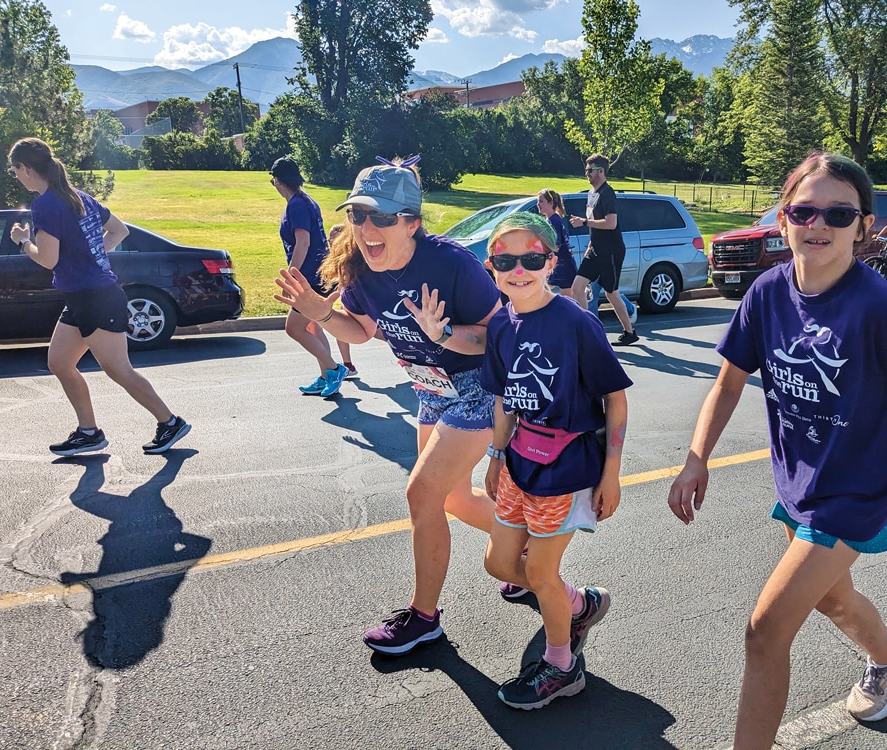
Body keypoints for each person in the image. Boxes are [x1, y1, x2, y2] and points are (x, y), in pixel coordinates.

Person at [667, 151, 887, 748]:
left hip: (857, 488)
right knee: (831, 596)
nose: (817, 225)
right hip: (799, 480)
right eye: (803, 210)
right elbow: (728, 382)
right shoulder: (766, 293)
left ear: (864, 226)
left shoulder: (880, 308)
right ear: (783, 219)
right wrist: (696, 457)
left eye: (838, 215)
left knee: (765, 631)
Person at [273, 156, 503, 655]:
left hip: (480, 385)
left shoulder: (451, 263)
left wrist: (442, 333)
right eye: (358, 216)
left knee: (420, 493)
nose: (366, 228)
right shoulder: (360, 268)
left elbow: (499, 338)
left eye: (381, 218)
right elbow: (360, 330)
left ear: (412, 222)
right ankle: (523, 554)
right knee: (451, 500)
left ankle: (424, 618)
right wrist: (322, 312)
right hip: (430, 388)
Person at [480, 212, 631, 709]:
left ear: (551, 261)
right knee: (499, 562)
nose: (517, 270)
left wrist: (611, 475)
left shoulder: (576, 322)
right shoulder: (501, 323)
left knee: (541, 571)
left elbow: (615, 399)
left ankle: (562, 666)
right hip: (520, 458)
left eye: (531, 259)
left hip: (568, 466)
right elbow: (505, 398)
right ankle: (578, 605)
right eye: (506, 260)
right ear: (492, 265)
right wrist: (496, 456)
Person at [7, 137, 190, 456]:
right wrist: (92, 255)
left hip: (97, 297)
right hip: (82, 296)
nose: (17, 177)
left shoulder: (46, 203)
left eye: (15, 171)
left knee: (118, 369)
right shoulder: (79, 197)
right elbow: (119, 230)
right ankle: (88, 431)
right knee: (60, 363)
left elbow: (48, 258)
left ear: (24, 167)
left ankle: (170, 422)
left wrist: (23, 242)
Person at [270, 157, 349, 396]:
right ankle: (326, 376)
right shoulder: (305, 201)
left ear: (277, 181)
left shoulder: (297, 205)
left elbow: (302, 243)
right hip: (317, 274)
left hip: (311, 278)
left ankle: (334, 369)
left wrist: (290, 278)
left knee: (293, 328)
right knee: (313, 326)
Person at [568, 154, 639, 346]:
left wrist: (583, 221)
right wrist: (591, 243)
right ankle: (587, 331)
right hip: (596, 249)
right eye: (586, 170)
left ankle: (629, 332)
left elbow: (611, 223)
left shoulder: (608, 194)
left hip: (611, 251)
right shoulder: (592, 194)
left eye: (590, 170)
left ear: (601, 171)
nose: (587, 174)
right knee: (577, 287)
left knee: (611, 292)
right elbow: (596, 226)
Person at [325, 222, 358, 378]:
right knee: (340, 331)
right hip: (348, 298)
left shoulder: (350, 256)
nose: (330, 239)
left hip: (358, 299)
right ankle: (348, 365)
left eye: (334, 235)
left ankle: (409, 350)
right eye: (330, 235)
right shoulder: (335, 256)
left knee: (381, 332)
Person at [535, 189, 578, 298]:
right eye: (538, 201)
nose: (538, 204)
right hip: (557, 264)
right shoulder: (551, 219)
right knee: (541, 290)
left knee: (568, 299)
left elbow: (556, 245)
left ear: (551, 203)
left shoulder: (554, 221)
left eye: (541, 201)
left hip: (563, 265)